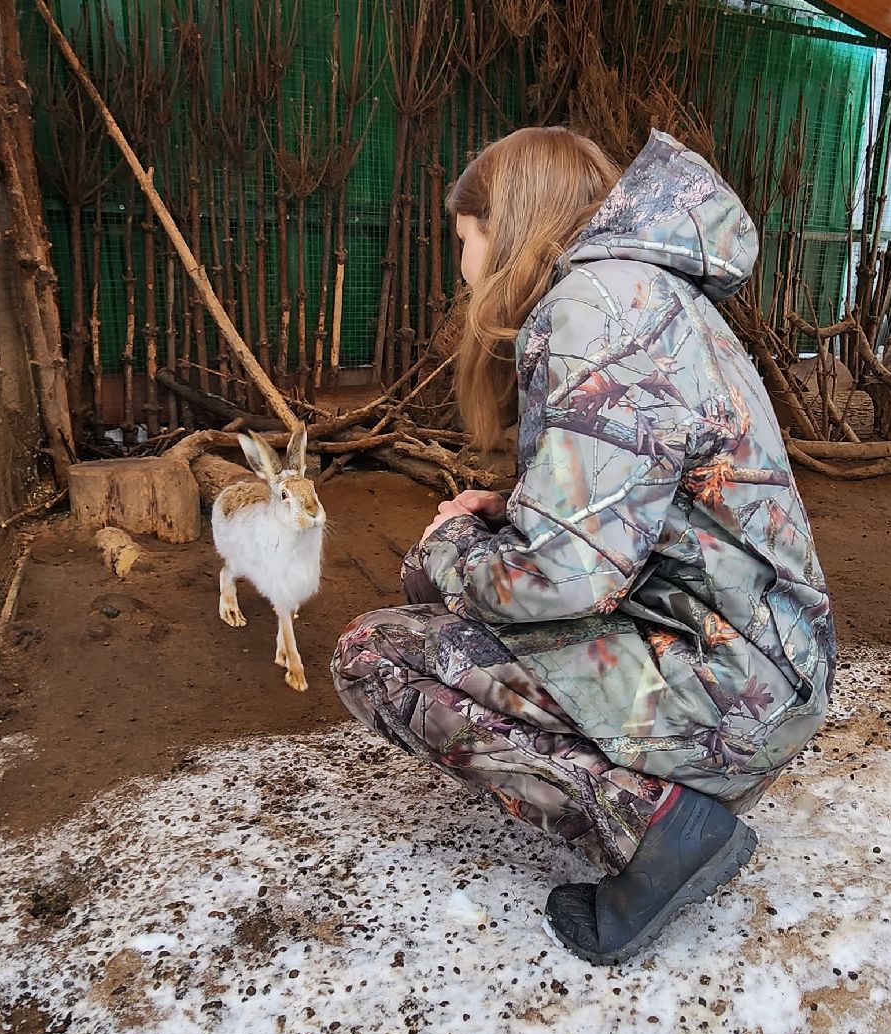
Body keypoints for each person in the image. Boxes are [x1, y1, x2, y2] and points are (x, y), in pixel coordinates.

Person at [330, 126, 836, 965]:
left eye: (464, 241)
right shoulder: (645, 293)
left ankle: (658, 828)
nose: (462, 268)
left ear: (507, 229)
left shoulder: (590, 310)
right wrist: (508, 511)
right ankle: (666, 788)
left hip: (728, 693)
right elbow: (637, 502)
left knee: (374, 651)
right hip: (757, 671)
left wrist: (453, 542)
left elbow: (565, 578)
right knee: (444, 583)